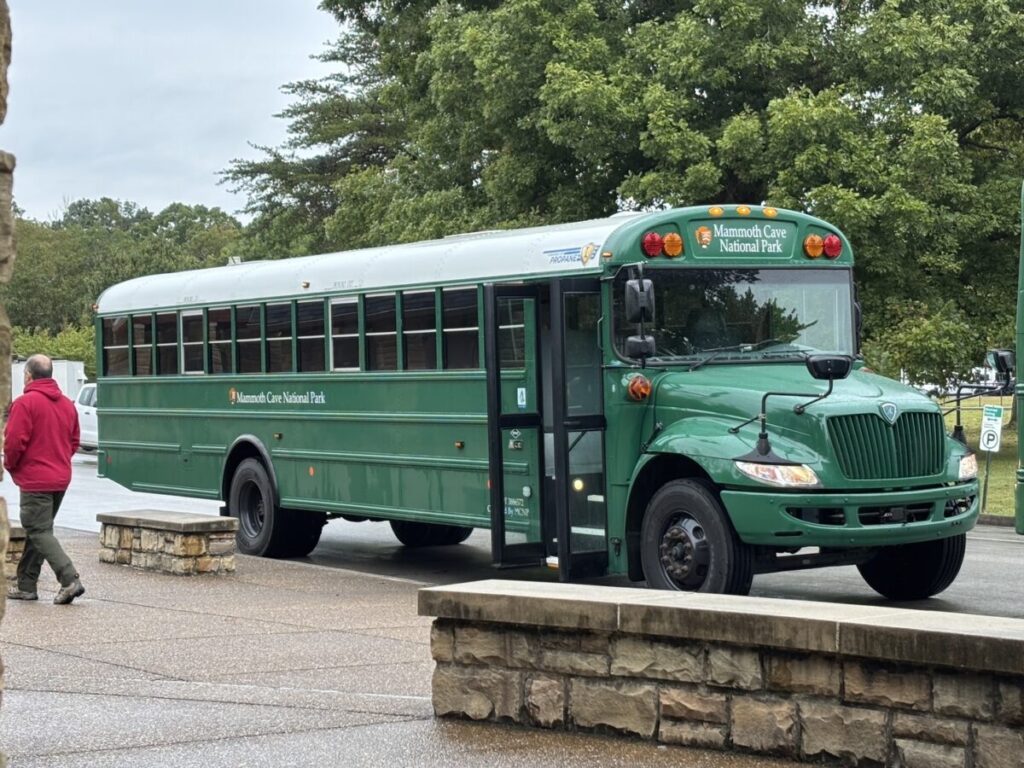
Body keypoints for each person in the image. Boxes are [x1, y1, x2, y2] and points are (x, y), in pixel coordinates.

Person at [4, 354, 85, 604]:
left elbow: (14, 443)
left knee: (38, 530)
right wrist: (59, 461)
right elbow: (74, 441)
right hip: (60, 478)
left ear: (28, 375)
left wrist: (11, 466)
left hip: (35, 480)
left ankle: (69, 579)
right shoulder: (67, 405)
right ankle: (26, 585)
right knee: (38, 530)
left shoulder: (25, 404)